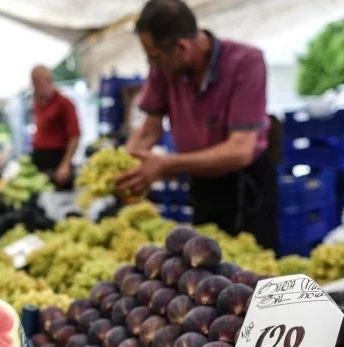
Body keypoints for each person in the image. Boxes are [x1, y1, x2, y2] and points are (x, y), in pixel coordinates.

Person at [116, 0, 277, 249]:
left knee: (249, 264)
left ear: (181, 47)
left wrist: (166, 164)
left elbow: (240, 149)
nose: (152, 66)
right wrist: (122, 168)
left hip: (245, 186)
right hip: (201, 182)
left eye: (155, 58)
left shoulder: (245, 62)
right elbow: (148, 130)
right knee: (203, 262)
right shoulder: (164, 68)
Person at [31, 65, 81, 190]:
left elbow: (75, 135)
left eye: (37, 82)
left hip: (57, 159)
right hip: (39, 158)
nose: (34, 86)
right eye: (33, 82)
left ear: (49, 80)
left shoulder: (64, 103)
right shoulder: (37, 103)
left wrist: (65, 164)